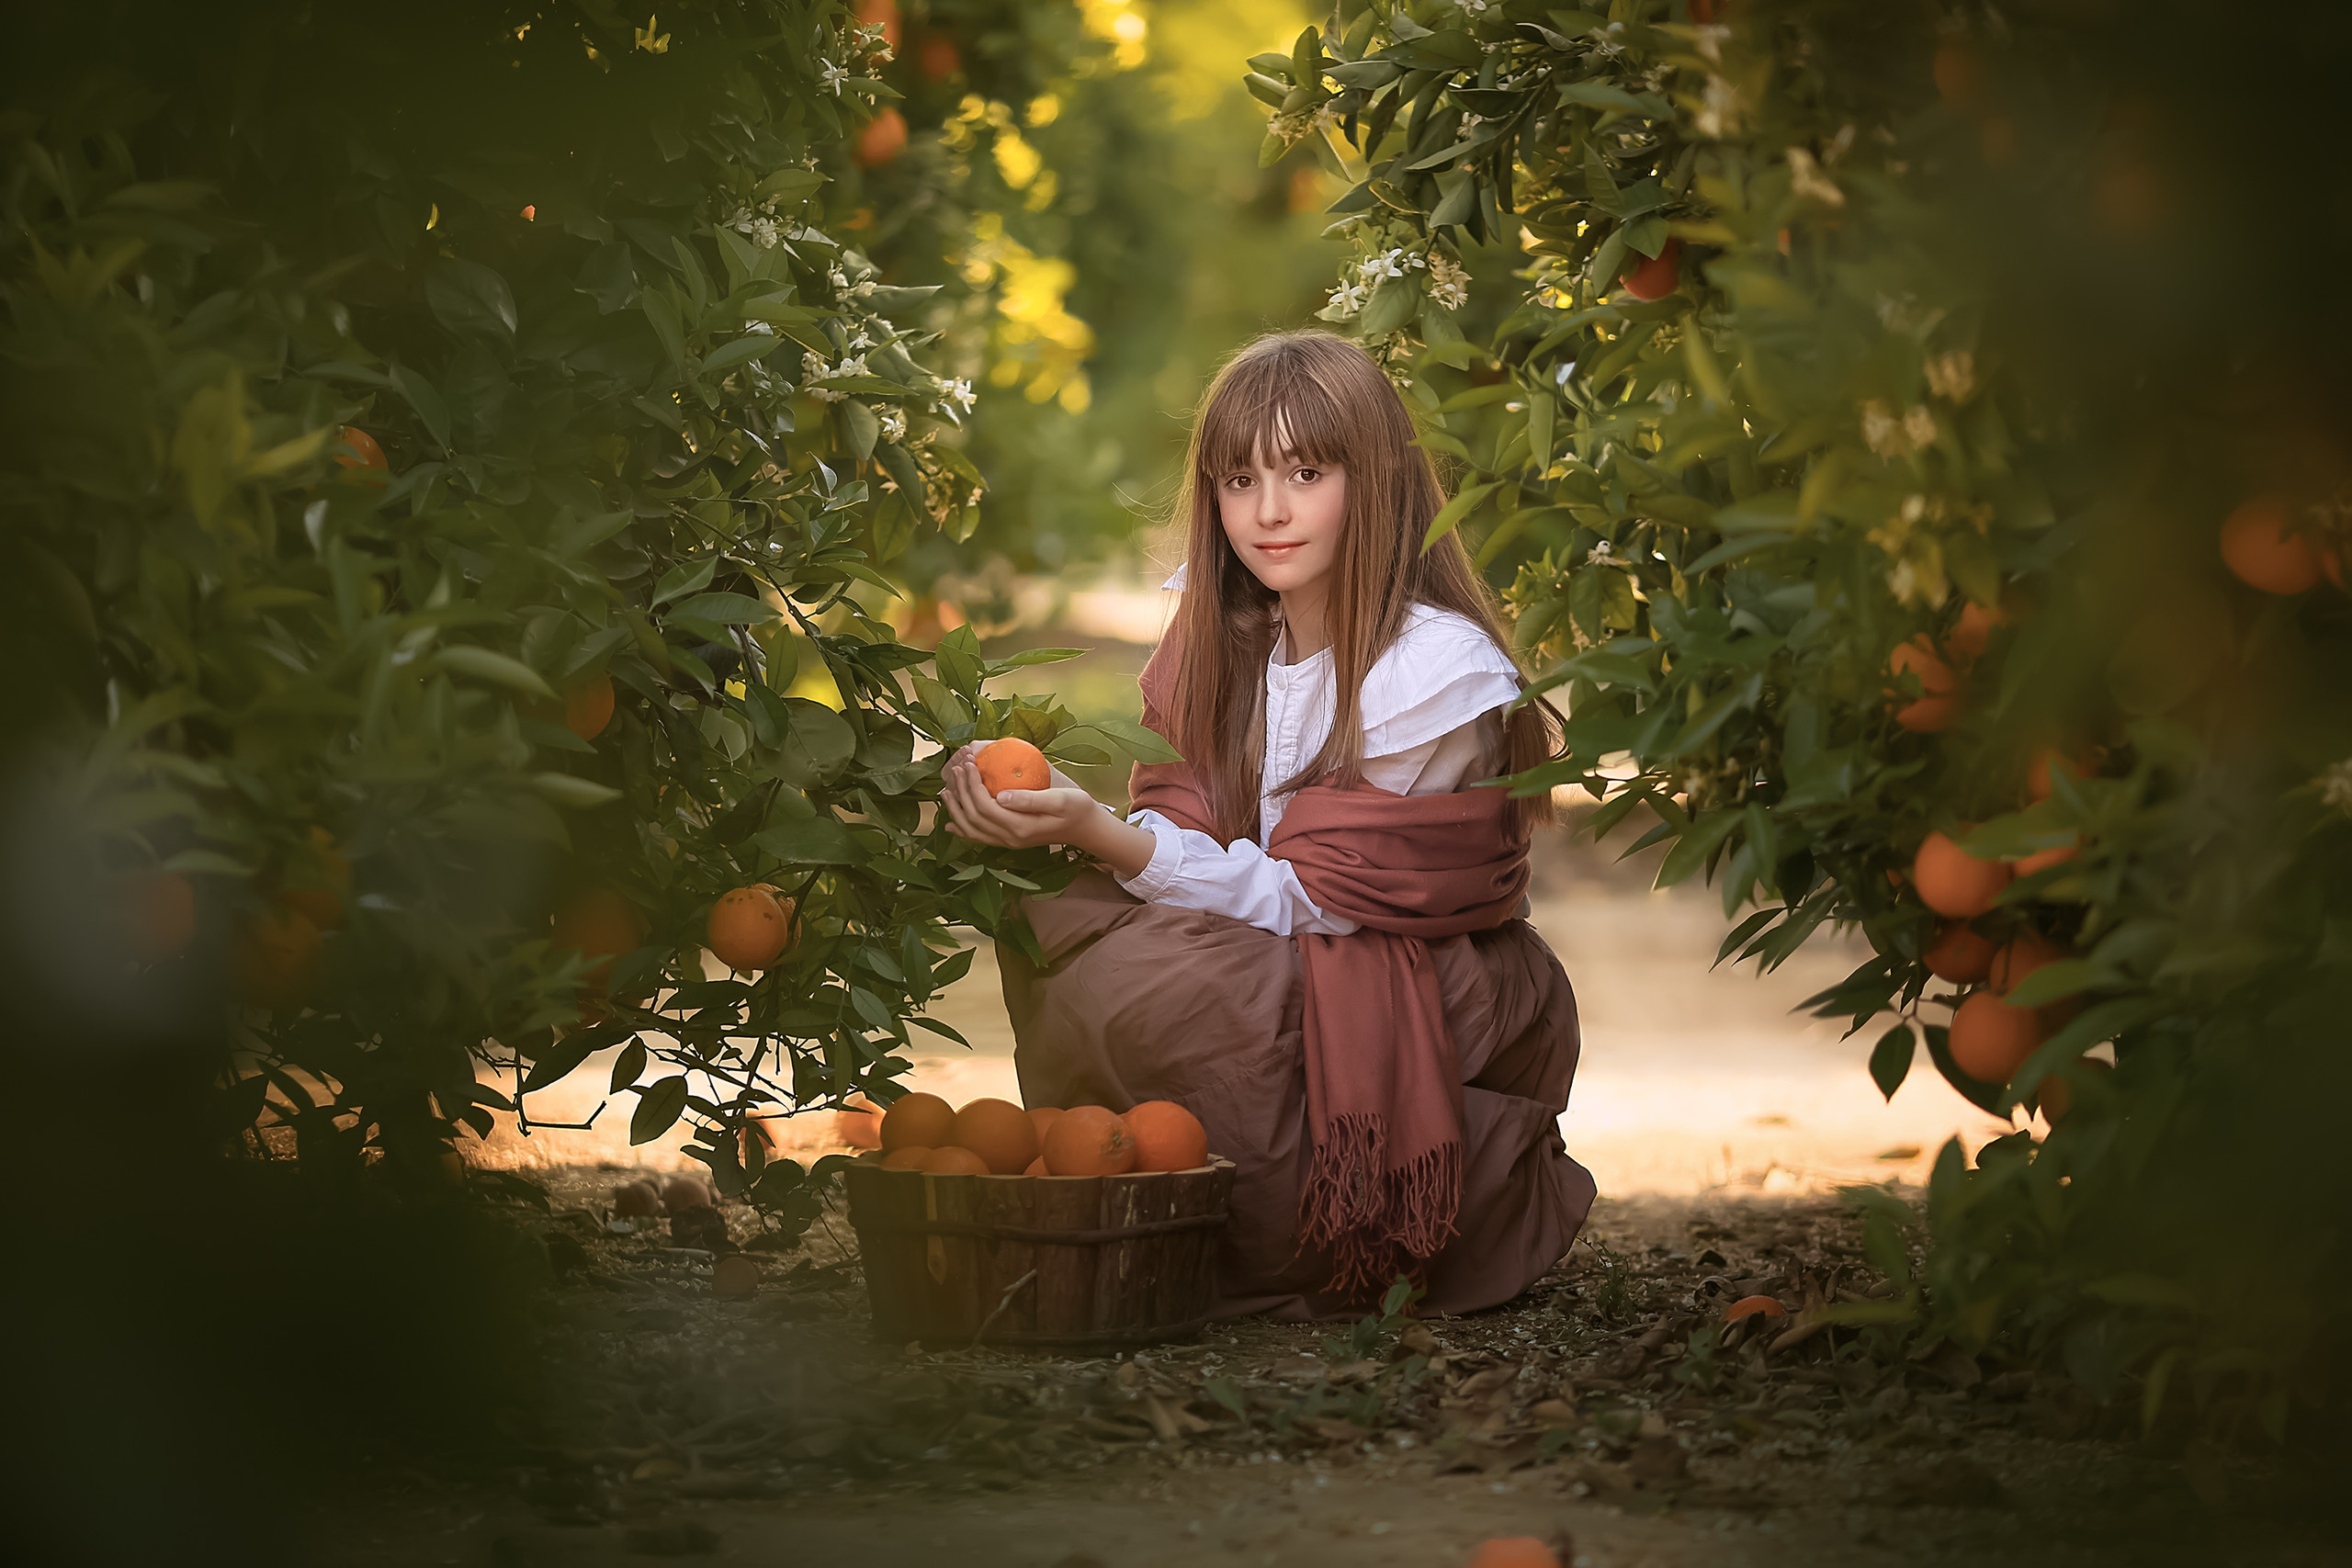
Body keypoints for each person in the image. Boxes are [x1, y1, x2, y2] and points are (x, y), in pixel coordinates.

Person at [939, 330, 1594, 1320]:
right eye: (1238, 480)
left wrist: (1105, 835)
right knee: (1058, 910)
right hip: (1291, 940)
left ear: (1372, 481)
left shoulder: (1432, 673)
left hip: (1419, 977)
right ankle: (1171, 1192)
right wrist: (1034, 814)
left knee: (1163, 982)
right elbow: (1198, 832)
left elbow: (1320, 894)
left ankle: (1287, 1221)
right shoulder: (1240, 642)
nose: (1269, 511)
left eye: (1305, 471)